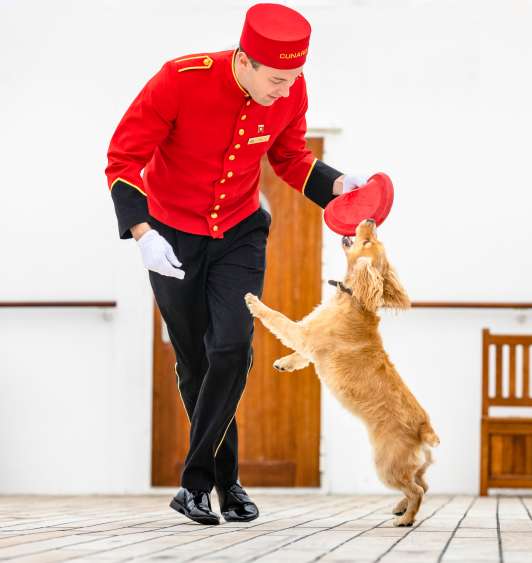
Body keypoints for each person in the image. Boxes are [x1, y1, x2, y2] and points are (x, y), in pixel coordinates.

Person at [105, 2, 366, 525]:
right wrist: (142, 232)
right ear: (244, 61)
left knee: (232, 348)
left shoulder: (290, 90)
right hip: (169, 235)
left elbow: (290, 157)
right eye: (276, 78)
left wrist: (340, 186)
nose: (286, 90)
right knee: (197, 364)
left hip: (239, 233)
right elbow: (123, 156)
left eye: (294, 78)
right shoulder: (179, 80)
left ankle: (195, 482)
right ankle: (227, 484)